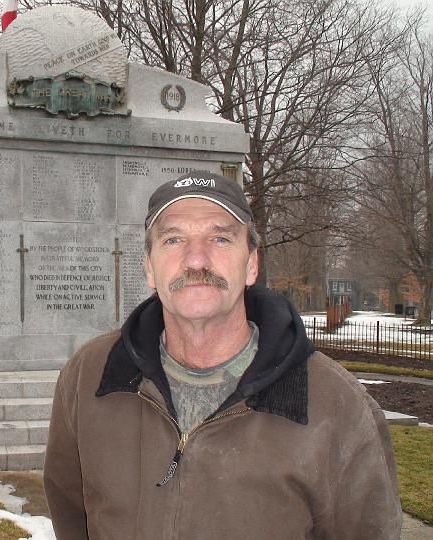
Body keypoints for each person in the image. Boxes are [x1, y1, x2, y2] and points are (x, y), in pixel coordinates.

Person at [43, 170, 402, 539]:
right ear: (149, 267)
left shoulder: (336, 404)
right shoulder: (90, 377)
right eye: (173, 239)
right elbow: (71, 514)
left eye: (219, 238)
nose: (196, 260)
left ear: (251, 264)